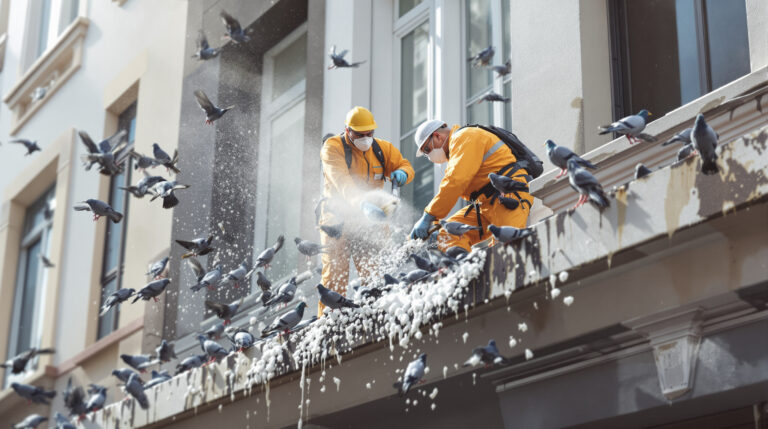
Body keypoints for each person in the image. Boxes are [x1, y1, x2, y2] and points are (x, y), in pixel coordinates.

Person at [319, 106, 415, 316]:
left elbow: (405, 165)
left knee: (375, 273)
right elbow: (342, 182)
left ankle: (377, 313)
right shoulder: (333, 148)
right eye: (360, 134)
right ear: (347, 131)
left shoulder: (382, 149)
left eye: (369, 133)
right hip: (338, 221)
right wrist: (362, 204)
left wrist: (403, 173)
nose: (365, 138)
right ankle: (329, 321)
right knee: (334, 276)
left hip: (372, 221)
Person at [409, 120, 532, 255]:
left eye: (427, 150)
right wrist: (433, 223)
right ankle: (464, 263)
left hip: (507, 196)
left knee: (506, 250)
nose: (428, 156)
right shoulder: (457, 148)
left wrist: (429, 216)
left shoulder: (464, 137)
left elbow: (455, 181)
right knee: (446, 234)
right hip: (486, 203)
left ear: (437, 136)